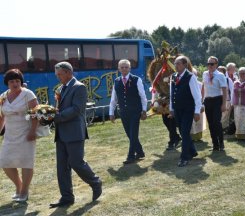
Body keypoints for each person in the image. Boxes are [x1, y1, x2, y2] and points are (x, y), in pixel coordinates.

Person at [50, 62, 102, 208]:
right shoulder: (61, 88)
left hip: (74, 133)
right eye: (57, 75)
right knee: (62, 168)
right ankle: (66, 197)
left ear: (68, 72)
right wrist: (48, 114)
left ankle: (95, 182)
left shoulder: (79, 87)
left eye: (60, 75)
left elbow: (76, 109)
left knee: (76, 163)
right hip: (61, 133)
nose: (58, 78)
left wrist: (56, 117)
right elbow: (58, 109)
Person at [0, 69, 38, 202]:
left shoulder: (28, 94)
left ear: (21, 82)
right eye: (12, 81)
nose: (15, 84)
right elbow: (1, 117)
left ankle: (24, 191)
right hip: (9, 135)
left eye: (17, 81)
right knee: (5, 162)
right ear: (7, 83)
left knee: (26, 163)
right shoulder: (3, 96)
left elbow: (35, 114)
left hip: (26, 133)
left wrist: (33, 131)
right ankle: (19, 186)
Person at [109, 59, 148, 164]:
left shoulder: (136, 79)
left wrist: (144, 110)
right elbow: (114, 99)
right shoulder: (117, 81)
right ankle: (140, 152)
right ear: (119, 69)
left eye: (126, 67)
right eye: (122, 67)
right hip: (124, 112)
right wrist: (111, 113)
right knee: (129, 134)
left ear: (130, 68)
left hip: (136, 111)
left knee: (133, 133)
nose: (124, 69)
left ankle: (131, 156)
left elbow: (143, 96)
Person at [170, 55, 202, 167]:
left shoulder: (190, 77)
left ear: (184, 64)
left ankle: (184, 157)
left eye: (178, 63)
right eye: (175, 63)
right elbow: (172, 94)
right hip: (177, 109)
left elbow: (197, 96)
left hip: (188, 109)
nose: (176, 66)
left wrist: (197, 111)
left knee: (184, 131)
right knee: (183, 133)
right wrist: (171, 108)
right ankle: (192, 151)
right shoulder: (173, 76)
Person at [202, 56, 227, 151]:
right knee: (211, 123)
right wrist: (201, 100)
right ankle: (215, 144)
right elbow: (203, 86)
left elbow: (224, 90)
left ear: (216, 64)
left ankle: (221, 142)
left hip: (217, 100)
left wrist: (224, 104)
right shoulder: (205, 74)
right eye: (208, 64)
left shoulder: (220, 75)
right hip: (208, 101)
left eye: (212, 64)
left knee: (217, 122)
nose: (210, 66)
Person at [190, 67, 206, 141]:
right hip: (190, 104)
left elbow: (203, 94)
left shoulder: (200, 84)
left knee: (198, 122)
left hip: (198, 104)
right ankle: (191, 136)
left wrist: (202, 103)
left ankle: (198, 137)